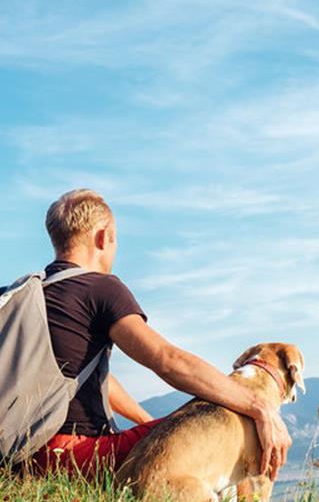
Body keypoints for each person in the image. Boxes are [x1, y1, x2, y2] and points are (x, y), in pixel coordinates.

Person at [29, 189, 291, 479]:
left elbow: (82, 377)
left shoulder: (35, 295)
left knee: (179, 428)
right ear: (104, 237)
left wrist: (145, 422)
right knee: (231, 419)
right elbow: (167, 361)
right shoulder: (99, 288)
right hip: (73, 458)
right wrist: (258, 407)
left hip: (19, 457)